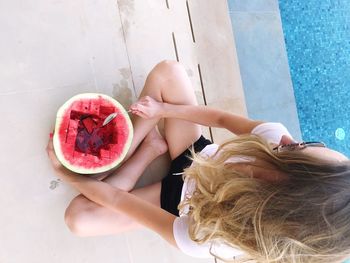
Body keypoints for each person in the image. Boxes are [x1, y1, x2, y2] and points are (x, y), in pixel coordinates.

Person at [46, 60, 350, 263]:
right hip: (196, 156)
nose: (287, 140)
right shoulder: (274, 140)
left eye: (293, 153)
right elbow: (219, 118)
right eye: (304, 143)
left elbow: (115, 198)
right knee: (169, 71)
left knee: (79, 218)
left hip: (177, 204)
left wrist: (67, 174)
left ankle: (148, 150)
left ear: (277, 185)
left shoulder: (207, 237)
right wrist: (162, 110)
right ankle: (131, 147)